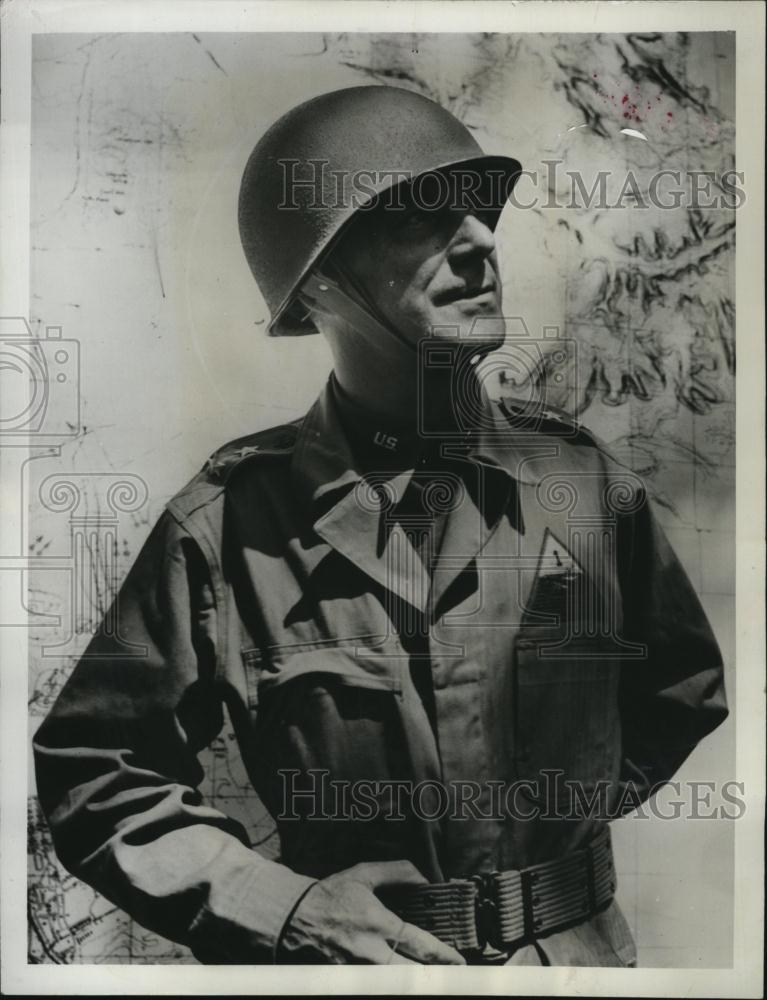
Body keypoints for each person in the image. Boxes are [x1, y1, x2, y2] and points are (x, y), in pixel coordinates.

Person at [33, 85, 728, 967]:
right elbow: (97, 771)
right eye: (418, 220)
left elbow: (679, 689)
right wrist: (286, 912)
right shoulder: (229, 527)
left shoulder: (579, 482)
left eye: (477, 213)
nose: (478, 241)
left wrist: (542, 848)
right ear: (318, 281)